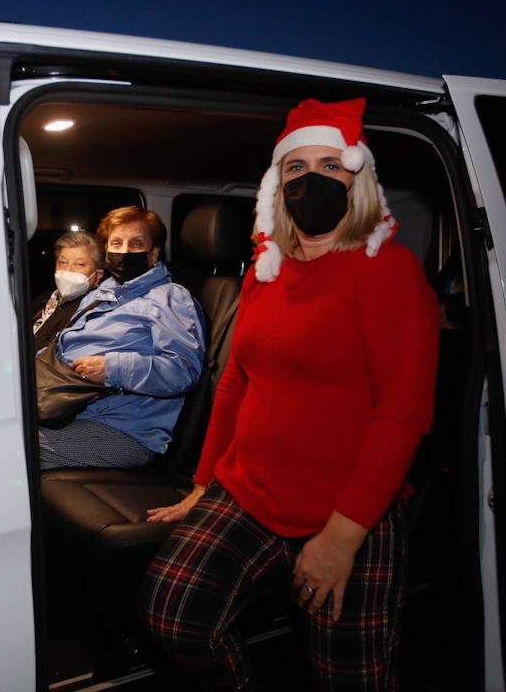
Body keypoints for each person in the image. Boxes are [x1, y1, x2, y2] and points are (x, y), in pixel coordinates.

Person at [139, 98, 439, 690]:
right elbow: (236, 382)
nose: (311, 181)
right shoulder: (265, 270)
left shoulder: (388, 270)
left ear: (359, 179)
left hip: (349, 506)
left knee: (349, 677)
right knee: (175, 616)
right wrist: (203, 484)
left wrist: (340, 538)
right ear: (277, 185)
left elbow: (401, 415)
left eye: (330, 165)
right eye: (295, 169)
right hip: (249, 491)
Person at [38, 205, 205, 470]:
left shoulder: (171, 298)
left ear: (154, 252)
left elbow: (182, 371)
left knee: (11, 446)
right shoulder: (98, 296)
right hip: (62, 407)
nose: (125, 251)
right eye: (117, 242)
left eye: (136, 243)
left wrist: (113, 368)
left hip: (120, 428)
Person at [30, 230, 104, 354]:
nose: (68, 270)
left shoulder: (92, 311)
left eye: (79, 264)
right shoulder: (45, 298)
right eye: (62, 263)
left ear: (98, 275)